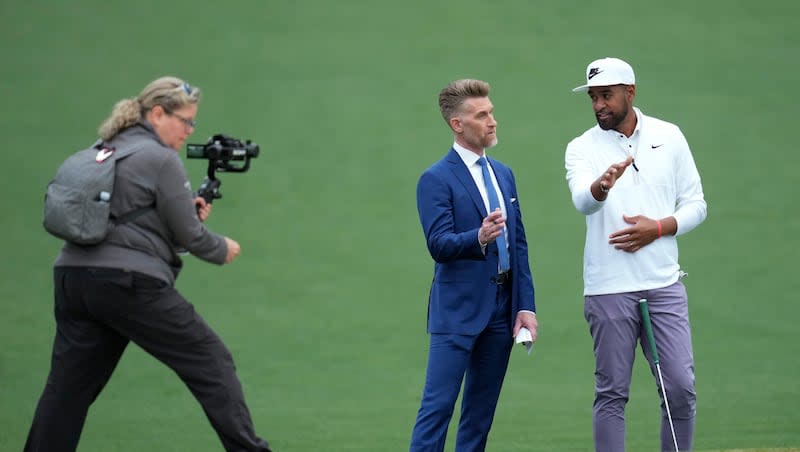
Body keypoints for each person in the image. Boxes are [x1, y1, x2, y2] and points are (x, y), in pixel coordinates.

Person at [25, 77, 272, 452]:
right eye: (185, 121)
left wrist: (181, 219)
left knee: (67, 391)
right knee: (211, 361)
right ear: (157, 113)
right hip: (127, 284)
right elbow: (190, 237)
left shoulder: (104, 149)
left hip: (73, 280)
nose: (189, 131)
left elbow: (134, 221)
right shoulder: (161, 159)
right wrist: (223, 248)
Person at [564, 57, 707, 452]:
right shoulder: (580, 147)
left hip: (664, 284)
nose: (598, 105)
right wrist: (601, 187)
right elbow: (582, 201)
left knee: (680, 388)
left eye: (606, 95)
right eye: (593, 97)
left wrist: (657, 228)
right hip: (608, 289)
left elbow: (696, 204)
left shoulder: (670, 136)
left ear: (630, 92)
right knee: (612, 394)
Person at [409, 79, 539, 452]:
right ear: (457, 124)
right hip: (457, 312)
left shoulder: (503, 173)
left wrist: (525, 306)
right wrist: (478, 238)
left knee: (480, 416)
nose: (492, 121)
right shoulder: (435, 179)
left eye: (492, 112)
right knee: (437, 410)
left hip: (501, 312)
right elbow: (438, 244)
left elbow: (519, 244)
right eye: (482, 115)